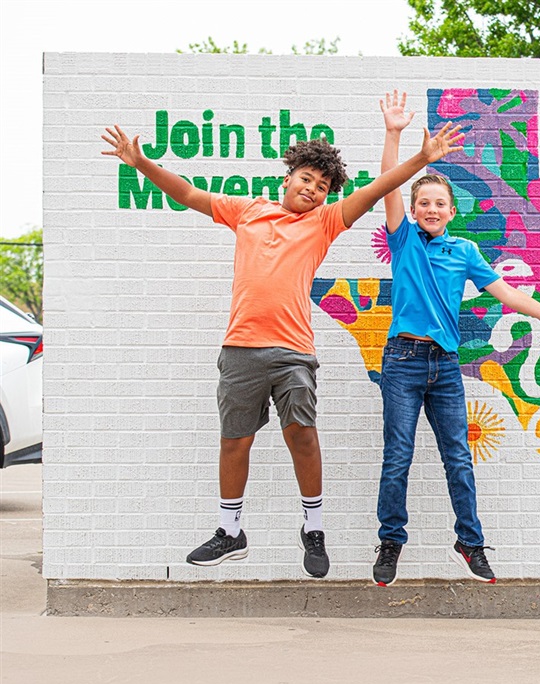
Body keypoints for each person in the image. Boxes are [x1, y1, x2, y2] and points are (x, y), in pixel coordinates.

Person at [101, 113, 464, 578]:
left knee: (301, 434)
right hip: (240, 348)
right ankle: (230, 531)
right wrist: (141, 163)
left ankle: (313, 528)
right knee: (235, 440)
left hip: (293, 350)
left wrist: (420, 158)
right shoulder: (248, 211)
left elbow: (376, 190)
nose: (312, 189)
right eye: (306, 179)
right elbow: (188, 193)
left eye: (322, 186)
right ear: (288, 177)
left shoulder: (325, 221)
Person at [371, 90, 540, 587]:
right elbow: (388, 188)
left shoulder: (464, 249)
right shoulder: (402, 238)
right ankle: (390, 542)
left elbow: (506, 293)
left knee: (459, 459)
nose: (429, 208)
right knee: (397, 456)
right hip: (402, 361)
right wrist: (393, 134)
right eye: (422, 201)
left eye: (438, 203)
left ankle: (469, 543)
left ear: (450, 212)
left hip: (445, 365)